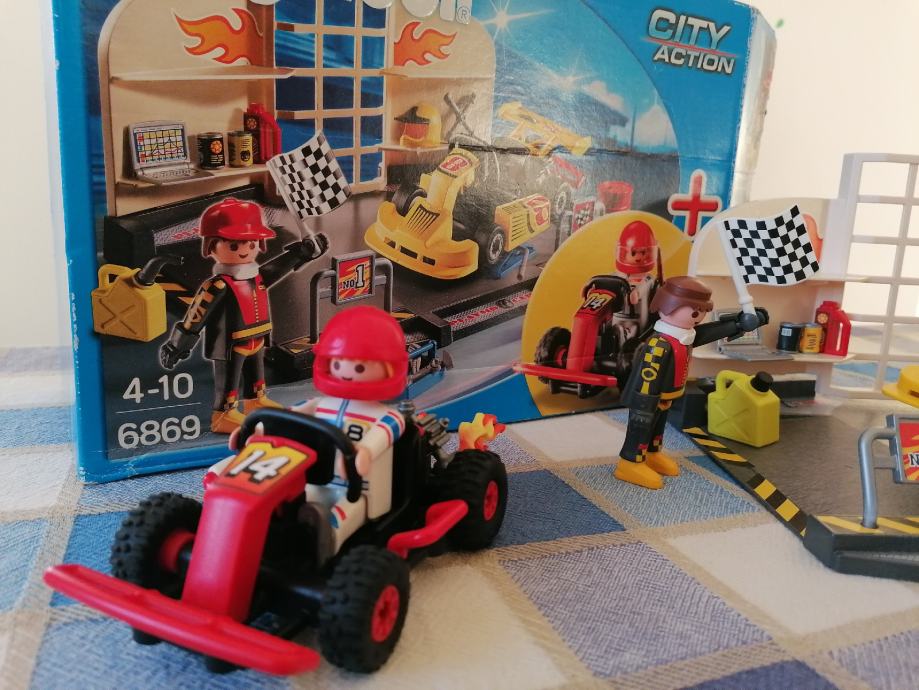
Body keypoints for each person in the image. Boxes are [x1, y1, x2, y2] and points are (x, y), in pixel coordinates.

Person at [160, 198, 329, 434]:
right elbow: (196, 316)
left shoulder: (256, 276)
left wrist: (302, 253)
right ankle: (223, 414)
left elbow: (277, 267)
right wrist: (176, 345)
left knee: (256, 378)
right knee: (229, 382)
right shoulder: (217, 286)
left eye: (251, 244)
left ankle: (255, 401)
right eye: (234, 246)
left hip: (257, 339)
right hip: (231, 344)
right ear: (211, 246)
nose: (244, 251)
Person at [616, 276, 767, 489]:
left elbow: (708, 333)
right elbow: (648, 376)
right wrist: (645, 405)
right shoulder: (659, 344)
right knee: (640, 429)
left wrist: (738, 324)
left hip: (666, 397)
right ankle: (630, 462)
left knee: (657, 429)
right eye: (694, 311)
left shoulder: (684, 336)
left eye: (702, 311)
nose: (699, 316)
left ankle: (651, 453)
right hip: (648, 400)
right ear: (669, 305)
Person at [291, 306, 409, 553]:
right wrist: (259, 428)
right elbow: (291, 416)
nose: (346, 374)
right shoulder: (320, 404)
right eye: (338, 363)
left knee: (342, 513)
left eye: (359, 368)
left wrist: (364, 451)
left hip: (361, 490)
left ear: (389, 368)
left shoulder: (388, 416)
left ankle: (326, 544)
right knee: (297, 499)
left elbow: (381, 435)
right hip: (319, 477)